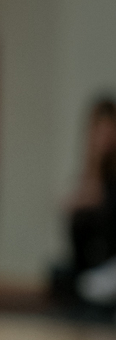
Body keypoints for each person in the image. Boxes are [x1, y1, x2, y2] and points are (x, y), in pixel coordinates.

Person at [51, 96, 116, 309]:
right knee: (61, 277)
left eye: (109, 132)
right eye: (99, 132)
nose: (105, 139)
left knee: (88, 287)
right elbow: (71, 202)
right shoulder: (94, 170)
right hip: (93, 266)